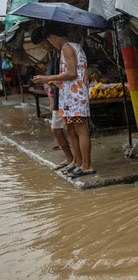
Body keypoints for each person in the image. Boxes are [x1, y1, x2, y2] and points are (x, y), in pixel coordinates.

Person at [32, 22, 95, 178]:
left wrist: (48, 78)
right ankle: (79, 163)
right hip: (70, 96)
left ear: (52, 37)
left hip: (75, 96)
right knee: (73, 130)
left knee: (81, 131)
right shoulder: (73, 47)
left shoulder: (67, 48)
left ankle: (86, 165)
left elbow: (72, 73)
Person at [31, 26, 74, 169]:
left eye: (44, 43)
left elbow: (71, 74)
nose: (43, 46)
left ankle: (75, 160)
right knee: (57, 129)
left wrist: (49, 79)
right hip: (58, 96)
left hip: (66, 95)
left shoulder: (64, 51)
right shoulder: (54, 55)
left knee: (69, 129)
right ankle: (71, 158)